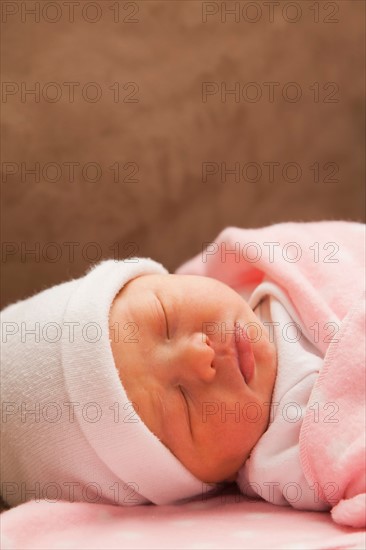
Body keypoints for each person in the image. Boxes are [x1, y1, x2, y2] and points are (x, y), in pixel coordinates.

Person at [1, 221, 365, 528]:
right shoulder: (296, 455)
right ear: (201, 482)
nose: (198, 355)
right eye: (183, 405)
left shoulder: (248, 265)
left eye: (165, 319)